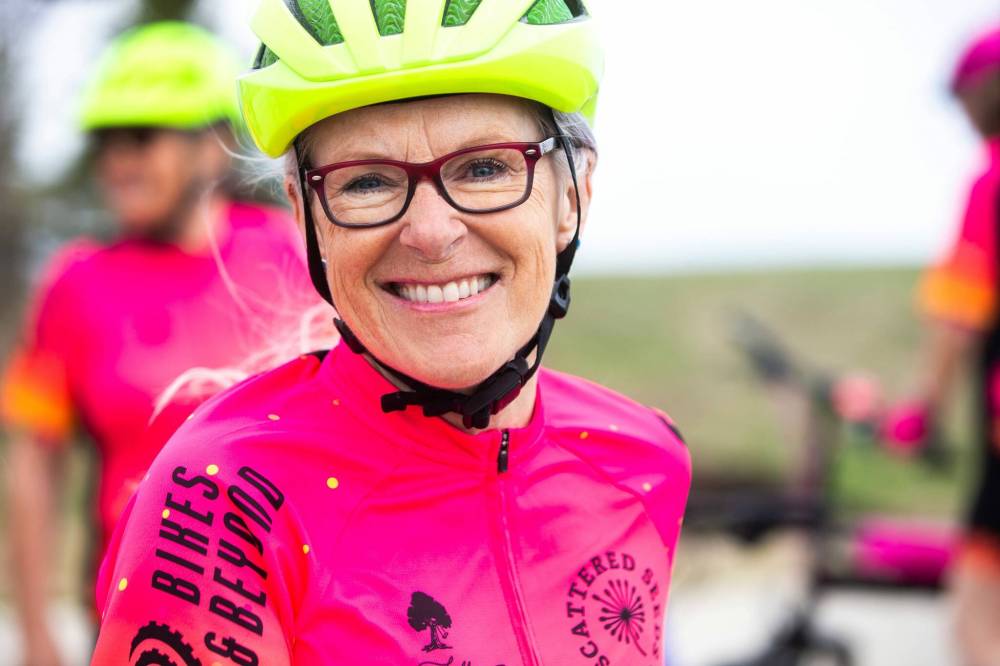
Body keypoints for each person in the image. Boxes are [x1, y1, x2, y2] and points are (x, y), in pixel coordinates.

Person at [89, 1, 692, 664]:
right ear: (306, 217)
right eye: (367, 181)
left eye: (485, 168)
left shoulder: (642, 461)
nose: (432, 233)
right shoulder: (219, 505)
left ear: (573, 197)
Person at [3, 21, 326, 666]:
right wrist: (36, 631)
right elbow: (34, 463)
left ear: (212, 147)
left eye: (143, 137)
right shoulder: (75, 282)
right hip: (138, 628)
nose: (118, 162)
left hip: (296, 616)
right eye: (106, 141)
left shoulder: (290, 251)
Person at [858, 24, 1000, 666]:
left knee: (977, 614)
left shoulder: (990, 184)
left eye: (963, 100)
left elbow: (957, 317)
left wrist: (920, 413)